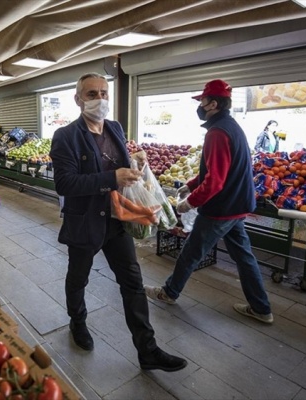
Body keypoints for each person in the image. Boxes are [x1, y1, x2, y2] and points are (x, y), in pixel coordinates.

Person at [49, 72, 188, 372]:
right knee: (78, 279)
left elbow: (120, 165)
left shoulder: (114, 127)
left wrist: (133, 164)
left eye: (104, 93)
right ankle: (78, 322)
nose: (100, 99)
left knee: (133, 283)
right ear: (78, 99)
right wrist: (110, 177)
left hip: (117, 220)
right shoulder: (66, 136)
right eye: (91, 94)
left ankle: (147, 350)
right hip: (85, 222)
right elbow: (65, 183)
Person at [144, 79, 273, 324]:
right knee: (244, 257)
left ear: (213, 104)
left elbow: (215, 181)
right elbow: (215, 169)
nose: (200, 106)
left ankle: (169, 292)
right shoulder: (231, 126)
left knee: (191, 252)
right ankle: (261, 308)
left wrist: (189, 202)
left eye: (203, 101)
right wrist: (191, 185)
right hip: (238, 204)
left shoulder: (217, 133)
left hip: (221, 208)